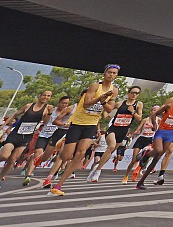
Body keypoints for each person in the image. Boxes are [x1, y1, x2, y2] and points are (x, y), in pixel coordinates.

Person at [47, 64, 120, 197]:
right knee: (67, 156)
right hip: (78, 123)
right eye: (109, 72)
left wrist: (103, 102)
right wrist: (100, 98)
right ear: (104, 73)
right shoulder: (95, 86)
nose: (111, 75)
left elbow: (110, 109)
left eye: (114, 73)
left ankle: (58, 185)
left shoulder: (114, 90)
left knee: (80, 154)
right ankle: (60, 150)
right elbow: (86, 104)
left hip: (91, 125)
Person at [136, 81, 173, 189]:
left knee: (158, 157)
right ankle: (146, 153)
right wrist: (155, 124)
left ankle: (141, 182)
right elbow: (155, 113)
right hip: (161, 131)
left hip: (171, 133)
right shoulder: (170, 103)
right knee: (158, 151)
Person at [0, 91, 53, 190]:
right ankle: (1, 151)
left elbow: (45, 122)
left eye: (48, 96)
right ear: (39, 95)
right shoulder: (28, 106)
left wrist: (49, 112)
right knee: (4, 156)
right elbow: (15, 115)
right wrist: (3, 125)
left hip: (26, 138)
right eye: (44, 95)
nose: (46, 97)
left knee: (12, 160)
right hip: (15, 135)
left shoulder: (46, 109)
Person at [89, 85, 144, 183]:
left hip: (123, 131)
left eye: (136, 93)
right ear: (128, 93)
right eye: (132, 92)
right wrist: (106, 115)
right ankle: (98, 171)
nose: (134, 95)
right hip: (113, 128)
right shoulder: (120, 103)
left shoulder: (138, 104)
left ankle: (97, 166)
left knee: (110, 151)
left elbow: (139, 118)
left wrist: (133, 112)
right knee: (111, 146)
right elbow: (108, 109)